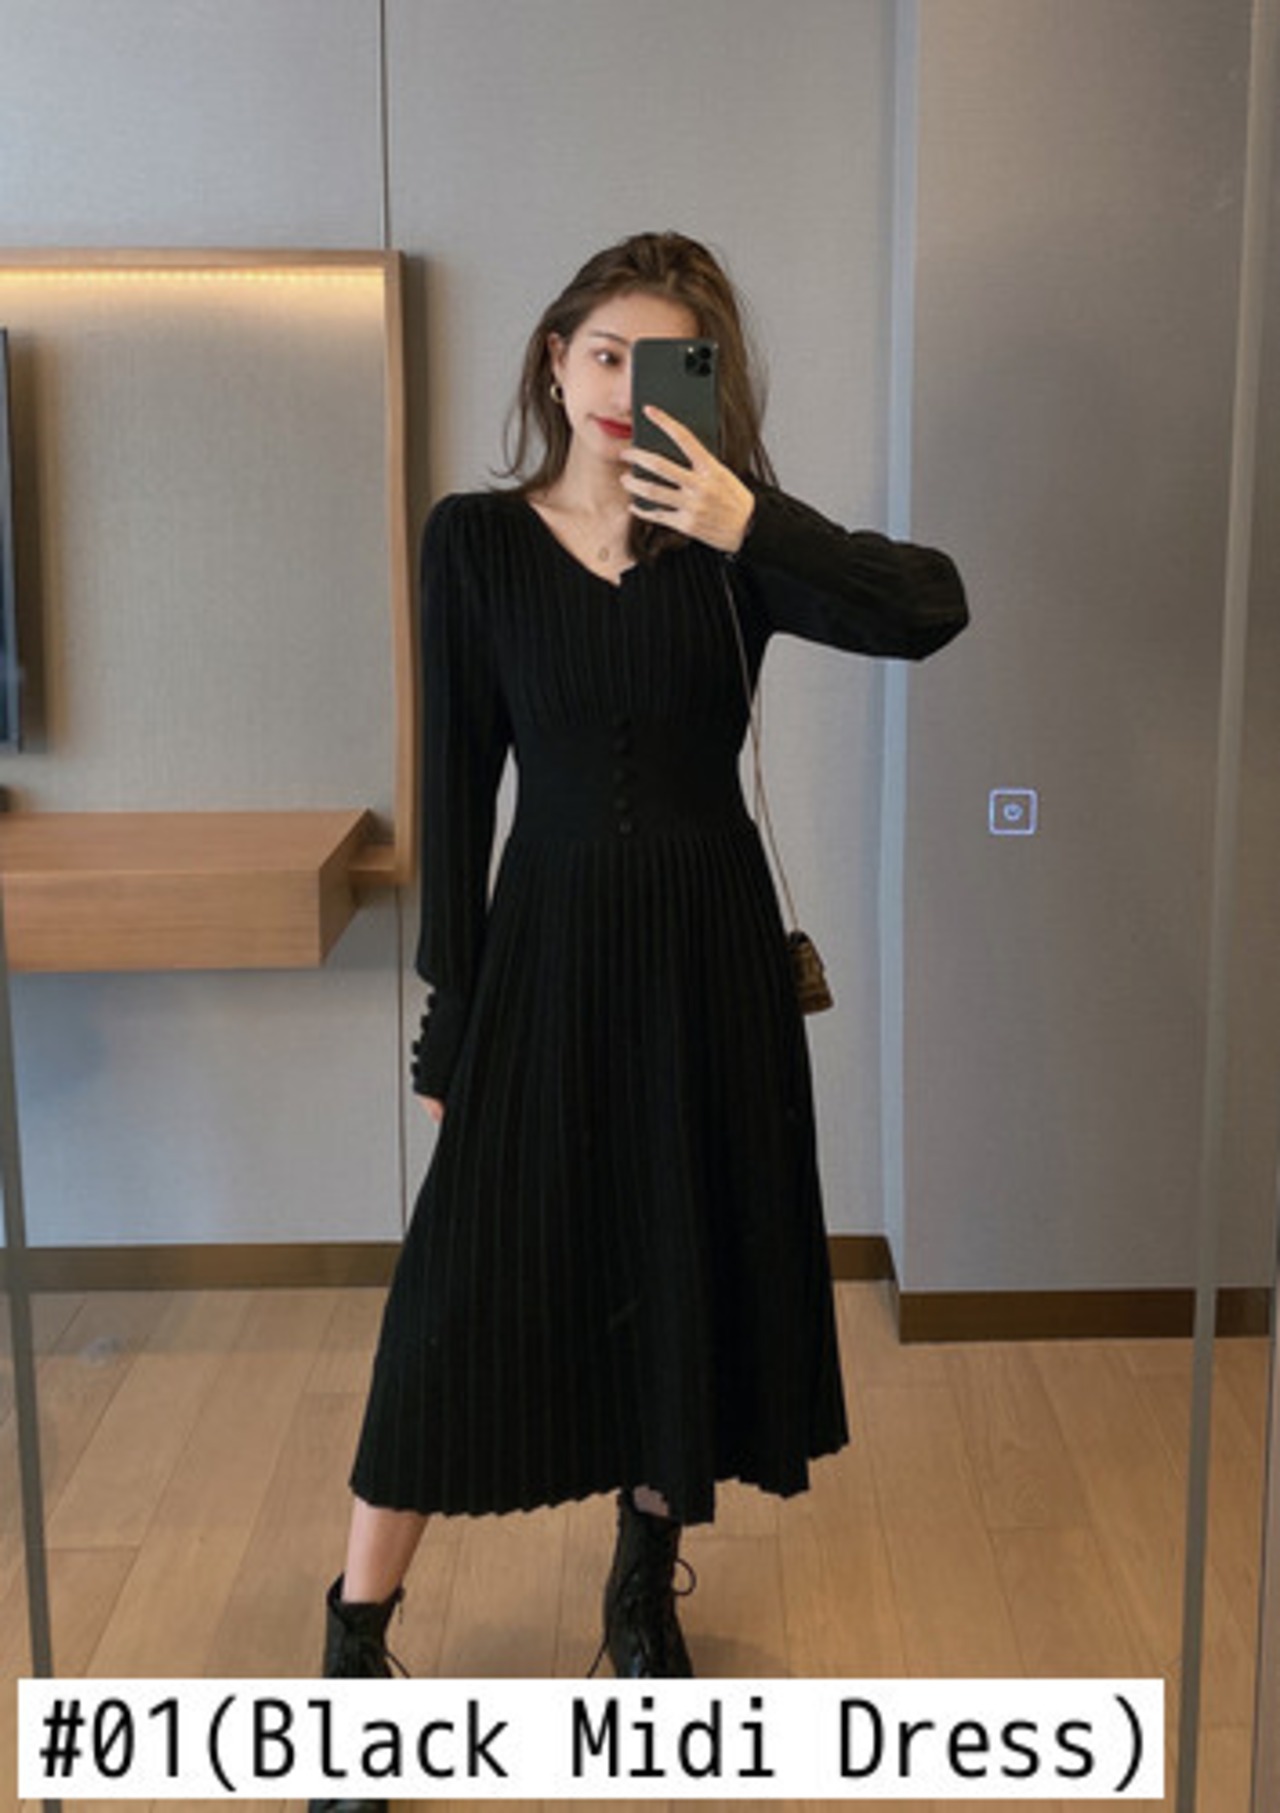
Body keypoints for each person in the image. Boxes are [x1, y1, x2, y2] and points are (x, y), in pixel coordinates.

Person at [310, 230, 967, 1813]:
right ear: (555, 361)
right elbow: (457, 788)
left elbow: (930, 608)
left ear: (704, 383)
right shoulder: (475, 542)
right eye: (602, 351)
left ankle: (640, 1587)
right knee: (453, 1308)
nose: (622, 385)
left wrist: (753, 515)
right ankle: (353, 1648)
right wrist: (450, 1023)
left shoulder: (733, 545)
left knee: (680, 1261)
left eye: (665, 360)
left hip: (706, 961)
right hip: (543, 959)